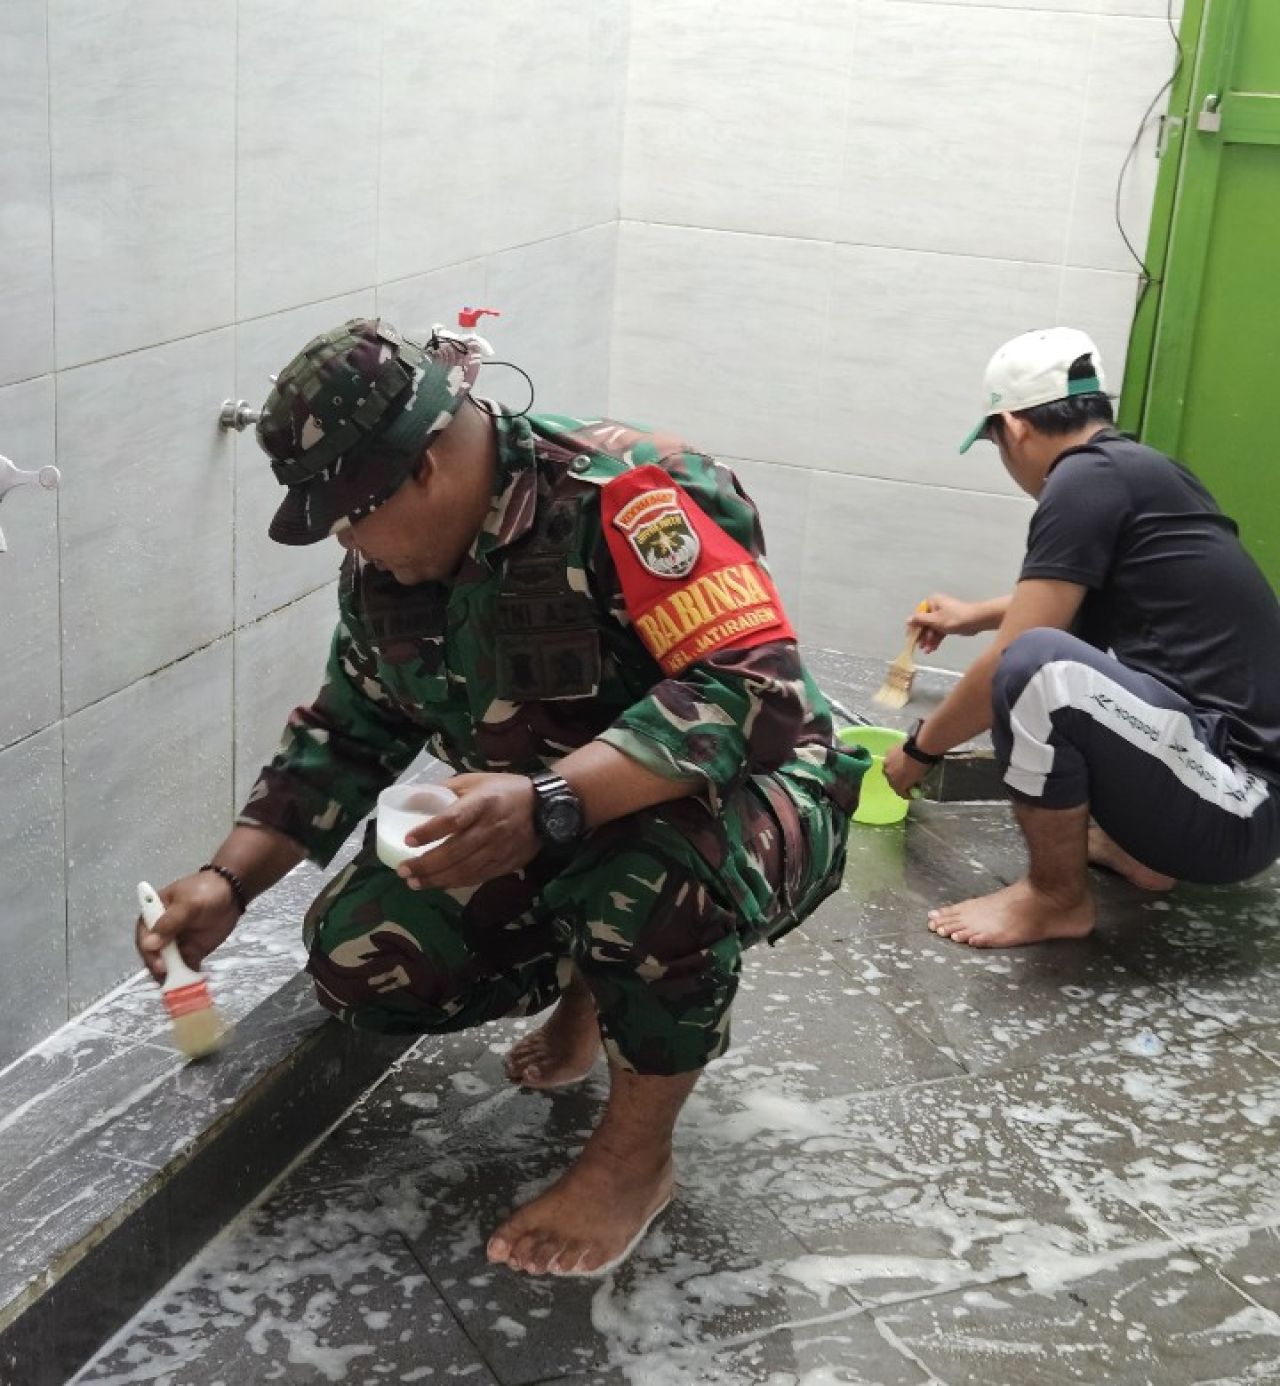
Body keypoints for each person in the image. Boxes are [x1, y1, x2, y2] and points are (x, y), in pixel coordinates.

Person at [135, 318, 866, 1276]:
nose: (346, 540)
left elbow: (755, 694)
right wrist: (227, 881)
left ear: (424, 467)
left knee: (647, 877)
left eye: (349, 514)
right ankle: (589, 987)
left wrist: (553, 800)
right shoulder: (389, 571)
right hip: (553, 815)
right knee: (358, 959)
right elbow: (349, 730)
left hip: (751, 793)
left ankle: (634, 1163)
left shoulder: (631, 497)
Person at [883, 326, 1280, 948]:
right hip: (1235, 793)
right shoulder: (1137, 469)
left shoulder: (1082, 480)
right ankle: (1138, 852)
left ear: (1013, 427)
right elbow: (1083, 591)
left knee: (1035, 668)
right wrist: (974, 614)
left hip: (1234, 802)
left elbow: (1020, 650)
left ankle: (1055, 898)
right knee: (1066, 661)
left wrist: (919, 751)